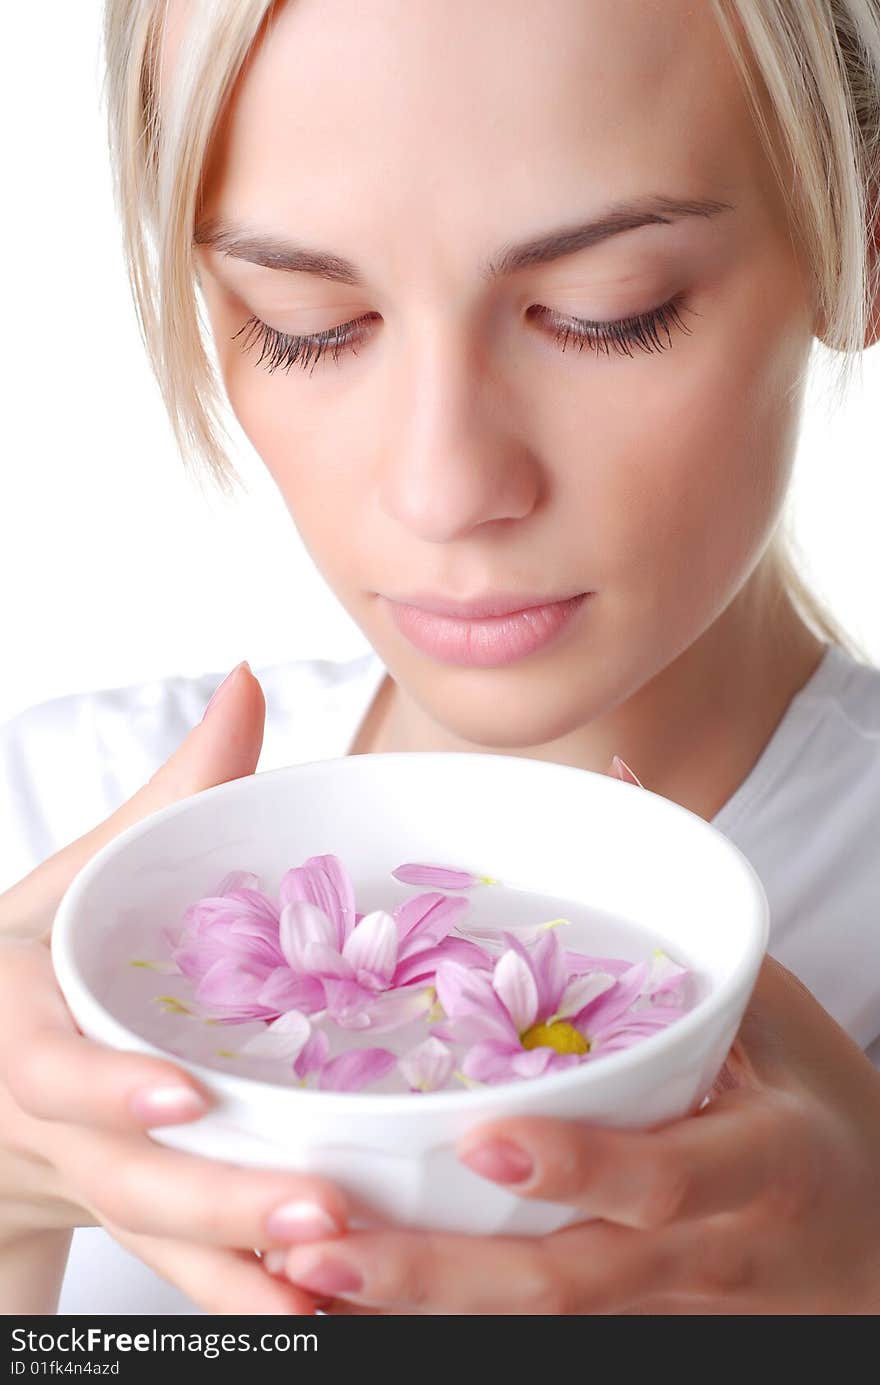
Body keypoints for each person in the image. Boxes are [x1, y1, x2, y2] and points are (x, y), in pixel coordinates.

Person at [1, 0, 879, 1315]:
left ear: (858, 239)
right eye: (306, 323)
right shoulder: (44, 826)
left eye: (606, 313)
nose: (445, 487)